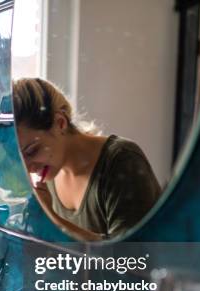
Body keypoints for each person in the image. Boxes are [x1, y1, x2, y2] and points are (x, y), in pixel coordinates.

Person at [12, 78, 161, 240]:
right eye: (20, 158)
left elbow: (132, 259)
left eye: (32, 151)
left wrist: (53, 221)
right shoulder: (50, 172)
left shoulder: (122, 161)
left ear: (60, 123)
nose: (28, 169)